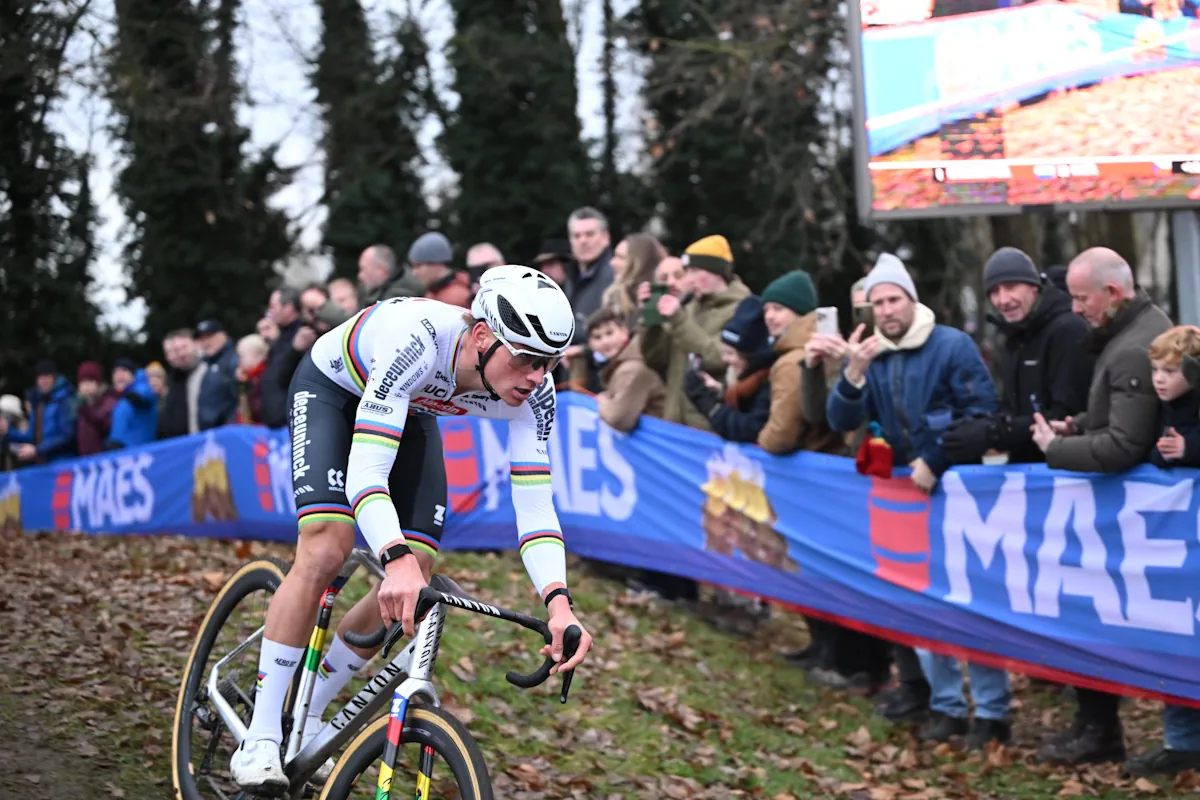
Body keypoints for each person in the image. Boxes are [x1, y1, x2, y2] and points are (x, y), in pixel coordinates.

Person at [231, 266, 595, 792]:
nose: (538, 376)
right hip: (334, 390)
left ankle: (310, 710)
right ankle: (261, 734)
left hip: (411, 406)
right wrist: (391, 555)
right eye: (525, 358)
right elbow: (367, 474)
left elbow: (536, 506)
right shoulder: (417, 339)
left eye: (550, 362)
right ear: (481, 336)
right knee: (327, 548)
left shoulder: (535, 393)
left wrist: (558, 603)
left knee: (417, 573)